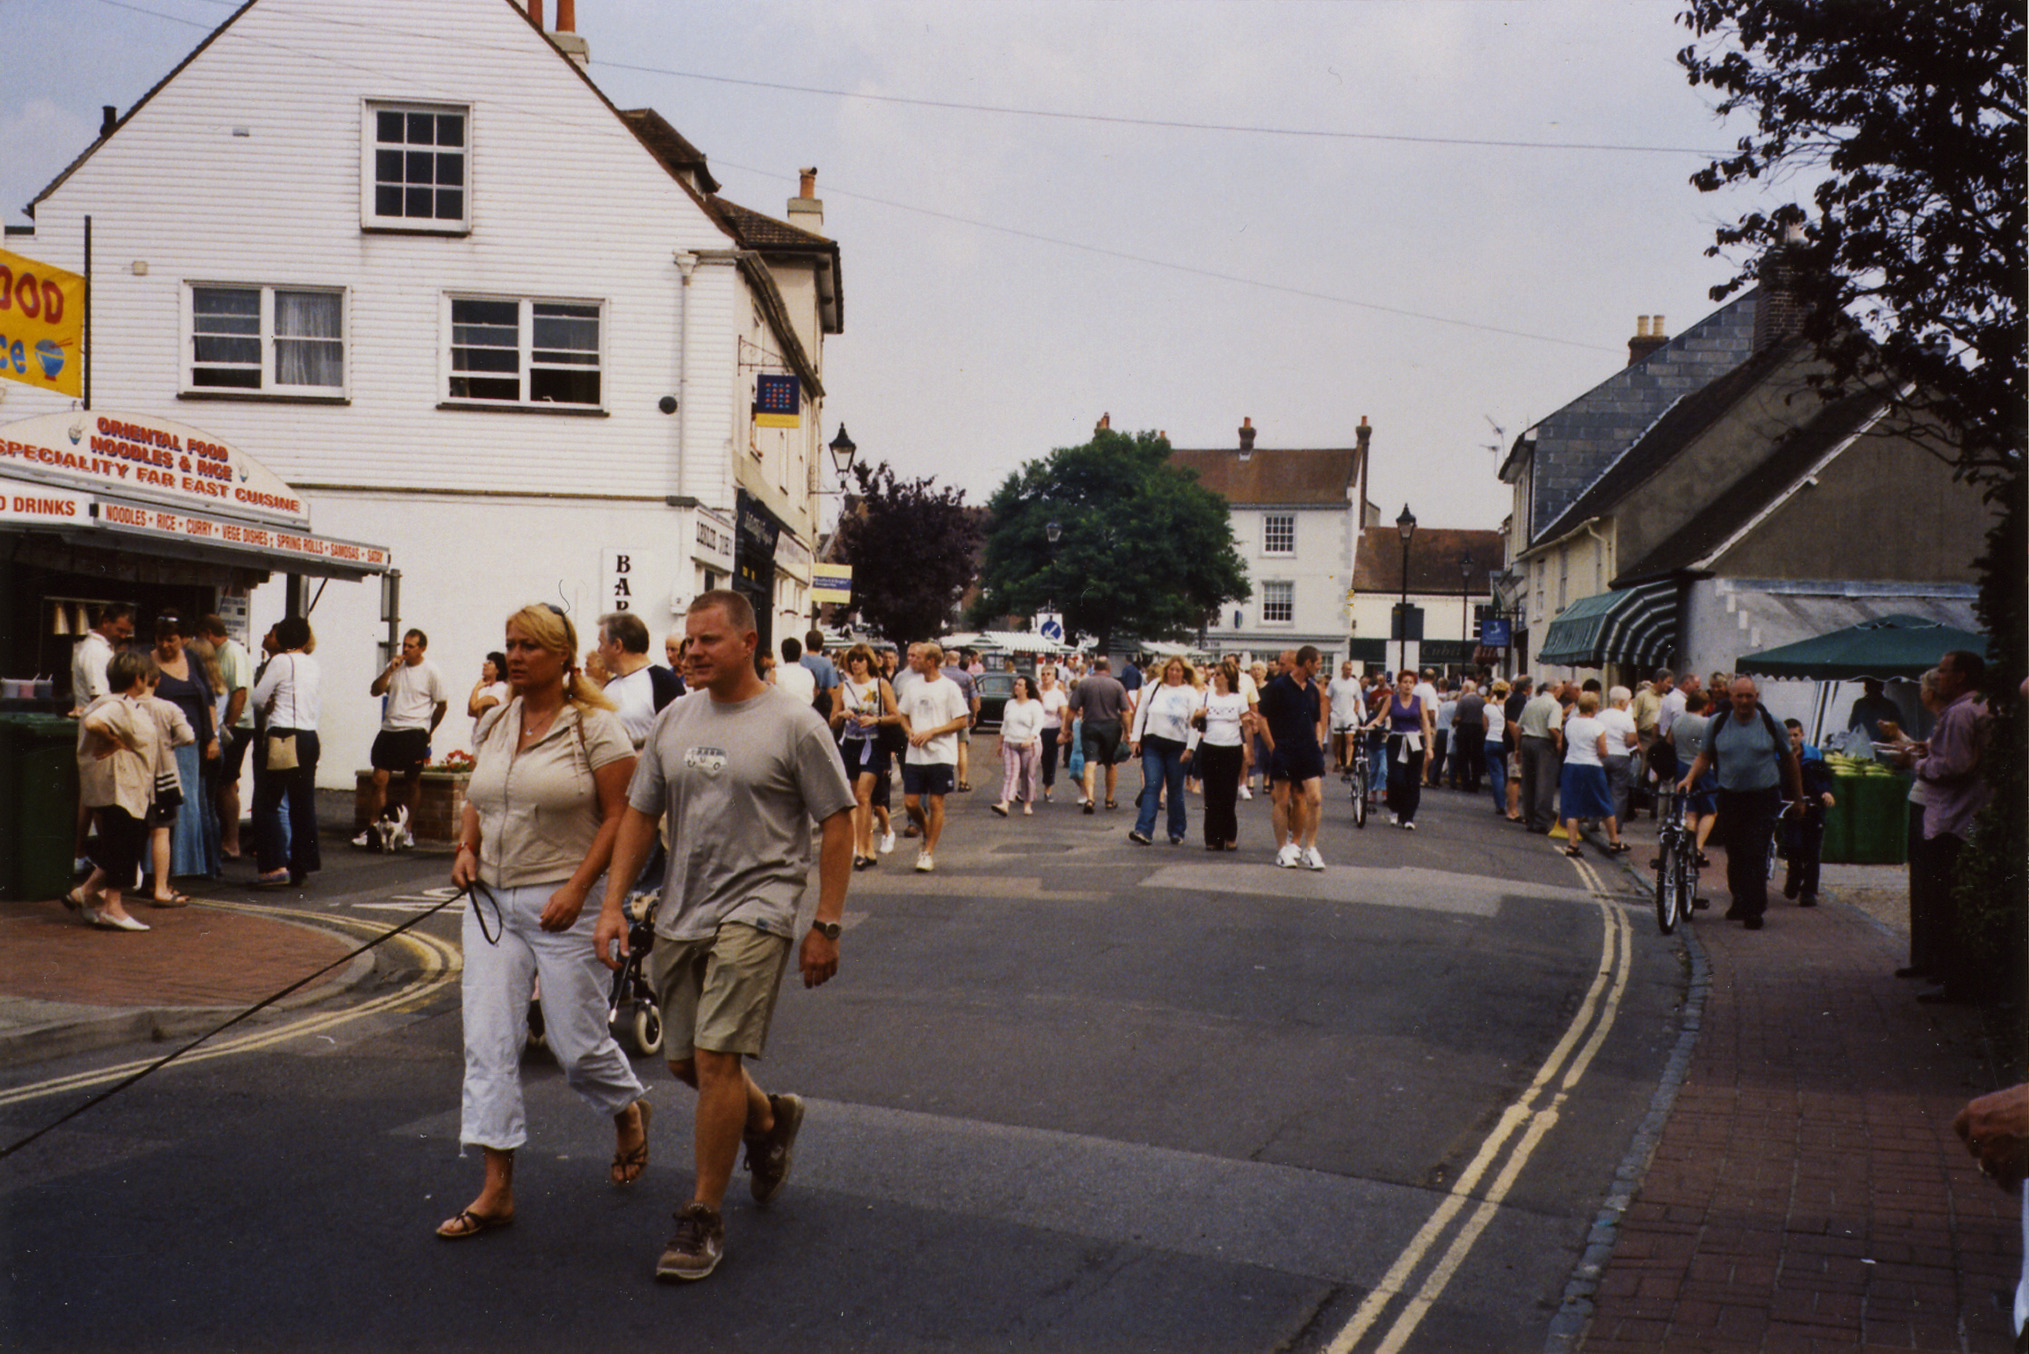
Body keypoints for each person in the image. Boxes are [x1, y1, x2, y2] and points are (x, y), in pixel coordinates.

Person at [594, 589, 856, 1283]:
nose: (692, 652)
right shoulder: (676, 717)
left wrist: (824, 922)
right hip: (683, 910)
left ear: (748, 643)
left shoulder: (795, 724)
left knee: (714, 1058)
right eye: (688, 640)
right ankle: (769, 1125)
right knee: (684, 1064)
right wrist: (613, 904)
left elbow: (836, 822)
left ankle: (702, 1215)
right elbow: (640, 815)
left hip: (760, 908)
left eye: (708, 640)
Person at [435, 603, 649, 1241]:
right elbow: (480, 795)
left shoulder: (596, 729)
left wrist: (582, 888)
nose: (516, 656)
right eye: (510, 645)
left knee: (576, 1047)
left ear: (563, 656)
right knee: (489, 1042)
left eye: (530, 646)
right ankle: (496, 1187)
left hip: (563, 904)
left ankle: (627, 1109)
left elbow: (622, 817)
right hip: (493, 905)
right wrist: (466, 847)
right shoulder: (496, 721)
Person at [1896, 649, 1990, 1002]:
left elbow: (1954, 767)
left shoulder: (1961, 713)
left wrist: (1919, 766)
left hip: (1953, 820)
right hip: (1966, 818)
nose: (1939, 678)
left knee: (1945, 904)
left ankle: (1954, 982)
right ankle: (1951, 977)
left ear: (1961, 676)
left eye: (1945, 671)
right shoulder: (1980, 707)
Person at [1678, 675, 1803, 931]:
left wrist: (1799, 798)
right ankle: (1739, 899)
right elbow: (1704, 756)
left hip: (1763, 796)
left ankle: (1754, 910)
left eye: (1749, 696)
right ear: (1730, 697)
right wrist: (1689, 778)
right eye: (1739, 696)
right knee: (1735, 852)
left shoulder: (1771, 723)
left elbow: (1790, 761)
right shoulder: (1718, 723)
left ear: (1756, 697)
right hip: (1730, 796)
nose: (1744, 701)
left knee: (1755, 851)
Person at [66, 650, 162, 931]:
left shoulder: (109, 702)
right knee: (124, 844)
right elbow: (94, 723)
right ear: (138, 678)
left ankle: (84, 894)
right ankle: (113, 907)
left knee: (122, 845)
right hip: (121, 787)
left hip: (117, 787)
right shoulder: (118, 705)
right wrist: (113, 741)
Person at [250, 617, 322, 889]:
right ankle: (302, 865)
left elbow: (257, 698)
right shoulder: (312, 664)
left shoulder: (280, 661)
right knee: (303, 804)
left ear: (281, 639)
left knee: (267, 803)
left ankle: (273, 866)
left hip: (283, 735)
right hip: (308, 737)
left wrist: (269, 704)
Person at [360, 628, 447, 848]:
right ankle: (374, 828)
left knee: (412, 781)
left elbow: (442, 705)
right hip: (390, 729)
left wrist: (428, 730)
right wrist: (389, 670)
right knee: (378, 779)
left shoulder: (432, 671)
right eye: (404, 645)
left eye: (411, 646)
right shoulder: (395, 666)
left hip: (414, 730)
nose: (405, 649)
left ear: (422, 648)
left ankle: (407, 831)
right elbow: (375, 690)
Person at [149, 614, 221, 881]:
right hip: (161, 744)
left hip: (192, 744)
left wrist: (212, 737)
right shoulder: (148, 661)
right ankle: (158, 871)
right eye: (161, 639)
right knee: (164, 803)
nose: (166, 645)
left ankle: (186, 867)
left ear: (182, 639)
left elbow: (209, 700)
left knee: (189, 802)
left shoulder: (193, 660)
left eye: (172, 639)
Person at [898, 642, 971, 872]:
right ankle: (928, 830)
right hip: (915, 754)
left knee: (935, 802)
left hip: (941, 753)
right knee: (910, 803)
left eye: (917, 657)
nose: (912, 660)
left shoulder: (949, 688)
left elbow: (961, 721)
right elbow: (902, 714)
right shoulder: (911, 685)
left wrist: (932, 732)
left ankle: (927, 851)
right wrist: (909, 731)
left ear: (931, 661)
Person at [1258, 645, 1328, 870]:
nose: (1320, 667)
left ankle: (1311, 848)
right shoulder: (1278, 686)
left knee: (1314, 798)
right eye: (1318, 663)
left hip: (1308, 750)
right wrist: (1273, 748)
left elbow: (1317, 720)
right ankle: (1282, 849)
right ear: (1307, 663)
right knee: (1281, 799)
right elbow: (1262, 718)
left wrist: (1317, 742)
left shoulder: (1313, 690)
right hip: (1285, 749)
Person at [831, 643, 899, 868]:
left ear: (869, 661)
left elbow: (895, 716)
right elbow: (832, 721)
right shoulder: (843, 687)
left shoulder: (880, 684)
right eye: (852, 659)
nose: (856, 663)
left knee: (862, 795)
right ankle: (869, 849)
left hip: (875, 744)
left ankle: (860, 849)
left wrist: (875, 720)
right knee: (859, 799)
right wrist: (842, 714)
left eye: (860, 659)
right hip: (851, 744)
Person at [197, 616, 254, 861]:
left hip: (236, 726)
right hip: (226, 726)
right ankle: (224, 838)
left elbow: (239, 693)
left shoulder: (232, 652)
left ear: (208, 633)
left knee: (226, 783)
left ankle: (231, 842)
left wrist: (226, 727)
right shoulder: (221, 652)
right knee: (223, 783)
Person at [1127, 657, 1200, 846]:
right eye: (1171, 669)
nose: (1174, 673)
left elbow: (1195, 722)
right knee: (1152, 786)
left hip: (1178, 746)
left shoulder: (1190, 692)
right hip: (1153, 743)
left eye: (1178, 670)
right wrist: (1135, 738)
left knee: (1175, 789)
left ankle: (1176, 831)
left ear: (1184, 672)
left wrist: (1190, 748)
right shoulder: (1155, 687)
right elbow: (1141, 711)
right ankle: (1143, 830)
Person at [1558, 691, 1628, 857]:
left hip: (1571, 765)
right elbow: (1603, 751)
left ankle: (1572, 845)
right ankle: (1614, 842)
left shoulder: (1570, 722)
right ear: (1595, 707)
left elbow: (1565, 742)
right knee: (1604, 802)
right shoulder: (1597, 726)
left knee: (1571, 806)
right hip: (1591, 766)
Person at [598, 612, 683, 748]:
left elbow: (679, 740)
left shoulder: (663, 681)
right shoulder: (609, 687)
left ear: (617, 646)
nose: (599, 650)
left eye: (601, 643)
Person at [1780, 718, 1837, 907]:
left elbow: (1825, 777)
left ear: (1802, 735)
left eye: (1795, 735)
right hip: (1790, 806)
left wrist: (1827, 791)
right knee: (1793, 845)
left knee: (1812, 851)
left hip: (1813, 806)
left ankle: (1809, 891)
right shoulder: (1779, 756)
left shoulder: (1813, 755)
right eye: (1788, 735)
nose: (1792, 739)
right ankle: (1794, 876)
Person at [1369, 668, 1434, 830]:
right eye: (1405, 682)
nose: (1407, 685)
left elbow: (1425, 723)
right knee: (1396, 778)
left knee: (1412, 780)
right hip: (1396, 740)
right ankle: (1395, 809)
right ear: (1399, 684)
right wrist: (1369, 726)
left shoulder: (1420, 701)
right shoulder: (1392, 700)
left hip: (1415, 741)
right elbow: (1379, 718)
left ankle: (1408, 817)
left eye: (1411, 683)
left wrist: (1429, 746)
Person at [1065, 657, 1131, 814]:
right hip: (1111, 727)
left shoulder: (1084, 684)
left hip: (1090, 725)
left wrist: (1066, 729)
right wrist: (1128, 732)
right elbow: (1125, 711)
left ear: (1093, 667)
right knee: (1110, 763)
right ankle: (1109, 799)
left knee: (1090, 762)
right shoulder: (1117, 685)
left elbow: (1071, 709)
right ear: (1108, 668)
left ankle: (1090, 798)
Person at [1195, 661, 1249, 850]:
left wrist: (1247, 747)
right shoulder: (1206, 696)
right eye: (1213, 674)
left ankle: (1229, 835)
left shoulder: (1239, 698)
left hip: (1231, 748)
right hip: (1210, 746)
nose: (1214, 677)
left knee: (1228, 793)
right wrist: (1199, 715)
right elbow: (1194, 723)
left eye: (1218, 674)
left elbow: (1247, 724)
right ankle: (1212, 837)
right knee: (1211, 794)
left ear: (1227, 677)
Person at [1516, 678, 1565, 834]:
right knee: (1544, 783)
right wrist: (1559, 742)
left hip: (1527, 741)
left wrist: (1518, 748)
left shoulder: (1531, 702)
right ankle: (1541, 822)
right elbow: (1552, 728)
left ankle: (1529, 819)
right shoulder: (1555, 705)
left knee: (1528, 783)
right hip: (1544, 744)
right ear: (1555, 689)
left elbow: (1519, 726)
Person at [993, 674, 1044, 818]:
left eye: (1020, 684)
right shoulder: (1010, 703)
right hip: (1011, 743)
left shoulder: (1034, 704)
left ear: (1027, 688)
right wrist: (1000, 743)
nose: (1016, 687)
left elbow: (1038, 723)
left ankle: (1027, 804)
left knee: (1028, 774)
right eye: (1015, 684)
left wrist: (1030, 738)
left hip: (1029, 745)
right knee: (1010, 774)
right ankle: (1005, 803)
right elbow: (1005, 724)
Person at [938, 651, 980, 792]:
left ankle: (944, 779)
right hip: (961, 715)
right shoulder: (967, 677)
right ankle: (962, 781)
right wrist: (974, 715)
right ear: (959, 660)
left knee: (943, 747)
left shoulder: (939, 674)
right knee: (961, 747)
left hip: (942, 716)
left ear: (946, 659)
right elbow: (974, 699)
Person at [1599, 685, 1639, 825]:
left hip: (1602, 755)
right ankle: (1615, 825)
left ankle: (1593, 821)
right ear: (1622, 702)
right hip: (1620, 755)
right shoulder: (1627, 718)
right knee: (1619, 792)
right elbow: (1630, 741)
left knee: (1599, 789)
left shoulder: (1601, 715)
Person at [1035, 664, 1070, 802]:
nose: (1045, 677)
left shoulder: (1058, 694)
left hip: (1051, 729)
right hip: (1035, 729)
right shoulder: (1035, 691)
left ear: (1054, 677)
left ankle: (1047, 789)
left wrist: (1063, 732)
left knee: (1049, 760)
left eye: (1048, 674)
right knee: (1031, 759)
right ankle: (1026, 788)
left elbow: (1064, 715)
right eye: (1043, 674)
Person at [1326, 661, 1362, 778]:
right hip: (1336, 714)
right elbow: (1328, 697)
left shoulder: (1355, 683)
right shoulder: (1334, 682)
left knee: (1349, 739)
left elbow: (1358, 699)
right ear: (1342, 669)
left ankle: (1347, 763)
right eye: (1346, 669)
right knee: (1337, 741)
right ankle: (1338, 761)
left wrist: (1355, 711)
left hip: (1349, 714)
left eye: (1350, 669)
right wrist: (1330, 711)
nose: (1348, 671)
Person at [1451, 678, 1486, 794]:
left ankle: (1466, 782)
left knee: (1463, 757)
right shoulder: (1482, 701)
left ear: (1466, 688)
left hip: (1464, 729)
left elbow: (1457, 718)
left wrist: (1453, 723)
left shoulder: (1463, 701)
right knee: (1476, 757)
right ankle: (1476, 783)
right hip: (1478, 730)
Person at [1844, 678, 1901, 743]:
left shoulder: (1890, 706)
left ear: (1881, 688)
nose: (1873, 692)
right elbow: (1852, 727)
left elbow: (1899, 730)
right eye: (1871, 688)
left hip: (1884, 747)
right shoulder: (1859, 704)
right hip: (1863, 745)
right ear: (1866, 688)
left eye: (1876, 689)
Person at [1483, 680, 1510, 815]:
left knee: (1496, 773)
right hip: (1505, 741)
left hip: (1491, 740)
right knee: (1507, 772)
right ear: (1506, 692)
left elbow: (1485, 726)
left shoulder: (1488, 708)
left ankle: (1500, 804)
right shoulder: (1510, 707)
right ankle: (1509, 801)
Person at [772, 635, 817, 707]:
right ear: (800, 655)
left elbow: (768, 698)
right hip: (806, 713)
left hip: (784, 713)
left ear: (782, 654)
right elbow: (814, 694)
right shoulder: (809, 673)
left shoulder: (775, 673)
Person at [468, 651, 510, 723]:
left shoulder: (500, 688)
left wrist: (476, 689)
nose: (484, 664)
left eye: (490, 663)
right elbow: (470, 712)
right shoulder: (492, 688)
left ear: (498, 670)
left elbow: (475, 709)